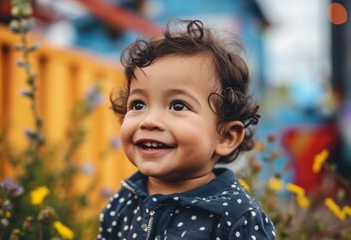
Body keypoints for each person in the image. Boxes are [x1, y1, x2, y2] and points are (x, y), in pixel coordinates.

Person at [97, 19, 276, 240]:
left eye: (178, 105)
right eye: (138, 105)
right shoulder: (124, 201)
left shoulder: (235, 217)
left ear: (225, 136)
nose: (149, 121)